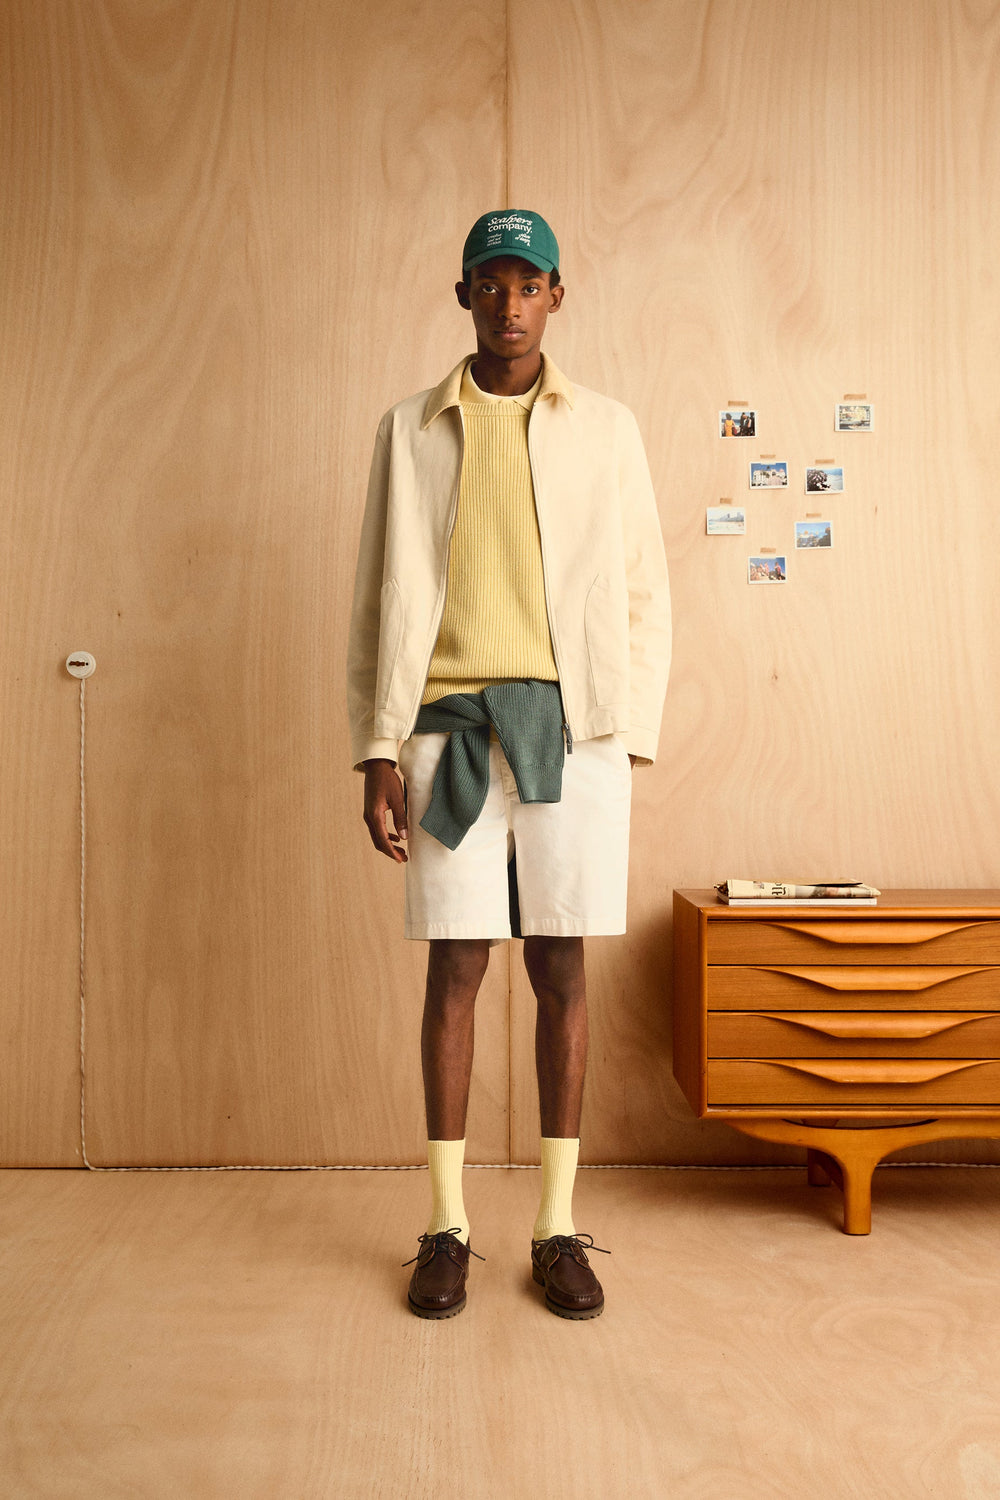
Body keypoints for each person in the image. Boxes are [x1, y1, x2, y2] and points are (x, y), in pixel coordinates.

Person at [346, 210, 671, 1321]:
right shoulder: (409, 428)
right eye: (490, 283)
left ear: (556, 296)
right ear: (464, 296)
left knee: (561, 966)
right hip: (446, 729)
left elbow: (642, 589)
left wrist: (625, 734)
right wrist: (376, 749)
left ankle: (555, 1227)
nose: (510, 304)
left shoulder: (606, 429)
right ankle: (446, 1226)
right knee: (456, 966)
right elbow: (377, 597)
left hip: (572, 736)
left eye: (529, 285)